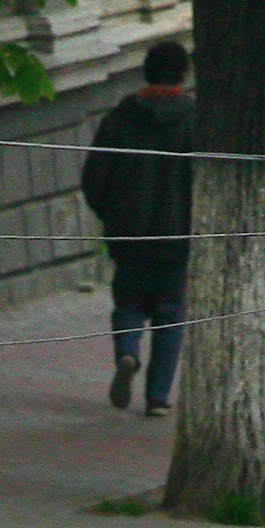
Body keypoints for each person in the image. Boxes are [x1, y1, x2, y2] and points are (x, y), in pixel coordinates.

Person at [81, 41, 196, 418]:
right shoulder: (196, 119)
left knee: (128, 304)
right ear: (183, 74)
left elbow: (94, 178)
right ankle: (158, 397)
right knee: (170, 313)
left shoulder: (119, 118)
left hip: (128, 235)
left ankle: (128, 351)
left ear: (145, 72)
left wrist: (113, 216)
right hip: (178, 236)